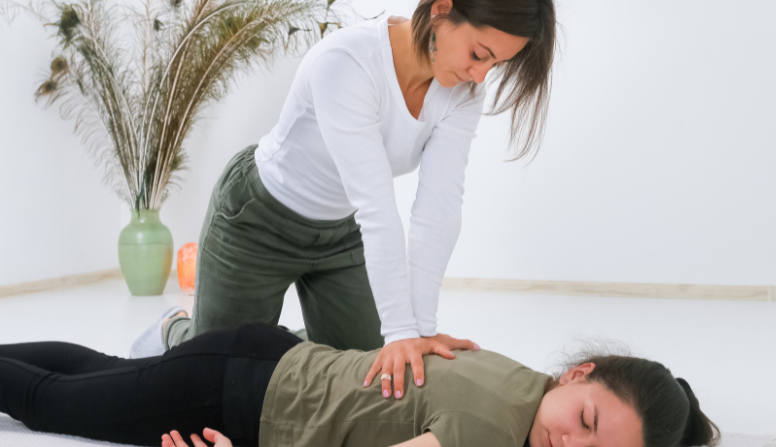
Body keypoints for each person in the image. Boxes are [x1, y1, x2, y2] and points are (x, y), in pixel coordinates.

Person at [130, 0, 557, 400]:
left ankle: (292, 344)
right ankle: (175, 329)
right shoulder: (348, 63)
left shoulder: (463, 95)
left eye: (496, 64)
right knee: (215, 378)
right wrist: (401, 329)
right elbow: (377, 206)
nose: (480, 76)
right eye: (479, 54)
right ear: (443, 9)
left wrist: (419, 331)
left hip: (339, 234)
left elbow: (438, 210)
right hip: (257, 220)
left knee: (374, 373)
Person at [0, 324, 719, 447]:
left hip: (259, 350)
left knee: (101, 375)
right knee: (48, 404)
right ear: (579, 374)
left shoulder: (519, 375)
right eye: (587, 422)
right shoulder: (490, 437)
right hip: (230, 393)